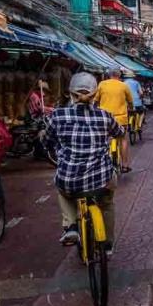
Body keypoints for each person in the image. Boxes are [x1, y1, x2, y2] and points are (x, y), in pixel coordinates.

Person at [45, 73, 124, 249]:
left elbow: (47, 141)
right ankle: (108, 245)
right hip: (101, 180)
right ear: (94, 94)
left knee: (62, 190)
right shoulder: (105, 116)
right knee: (107, 204)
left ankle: (71, 225)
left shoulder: (57, 116)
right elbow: (120, 133)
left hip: (69, 179)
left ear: (70, 93)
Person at [95, 68, 134, 172]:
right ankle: (125, 165)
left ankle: (102, 164)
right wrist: (131, 108)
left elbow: (95, 100)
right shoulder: (123, 85)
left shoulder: (102, 84)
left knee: (104, 139)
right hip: (121, 118)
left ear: (108, 75)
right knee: (123, 139)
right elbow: (130, 101)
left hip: (104, 118)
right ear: (119, 75)